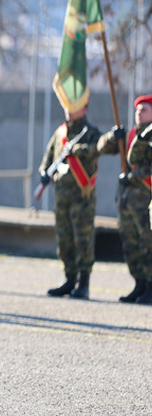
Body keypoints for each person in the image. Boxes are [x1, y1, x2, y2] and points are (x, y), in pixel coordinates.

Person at [40, 102, 101, 300]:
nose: (68, 110)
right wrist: (44, 172)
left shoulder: (90, 133)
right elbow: (49, 155)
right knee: (64, 237)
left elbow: (98, 148)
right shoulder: (60, 132)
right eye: (66, 106)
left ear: (84, 108)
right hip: (61, 194)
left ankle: (83, 282)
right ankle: (69, 278)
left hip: (81, 196)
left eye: (73, 106)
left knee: (82, 238)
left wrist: (77, 149)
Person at [96, 95, 152, 305]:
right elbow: (101, 148)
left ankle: (150, 286)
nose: (139, 113)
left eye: (144, 110)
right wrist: (112, 136)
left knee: (147, 244)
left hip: (146, 199)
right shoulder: (130, 136)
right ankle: (139, 284)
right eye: (137, 110)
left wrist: (133, 176)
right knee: (131, 245)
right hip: (127, 201)